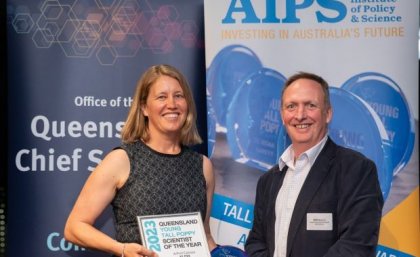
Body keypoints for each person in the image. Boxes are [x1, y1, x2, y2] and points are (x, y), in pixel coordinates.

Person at [65, 64, 217, 257]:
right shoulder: (122, 160)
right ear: (144, 107)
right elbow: (74, 227)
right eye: (162, 97)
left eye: (179, 96)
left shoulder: (203, 166)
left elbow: (204, 235)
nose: (172, 104)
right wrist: (121, 249)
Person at [245, 72, 384, 257]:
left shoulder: (357, 170)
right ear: (282, 115)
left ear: (327, 113)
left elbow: (355, 247)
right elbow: (256, 242)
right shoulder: (268, 181)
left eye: (310, 105)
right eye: (291, 106)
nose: (300, 115)